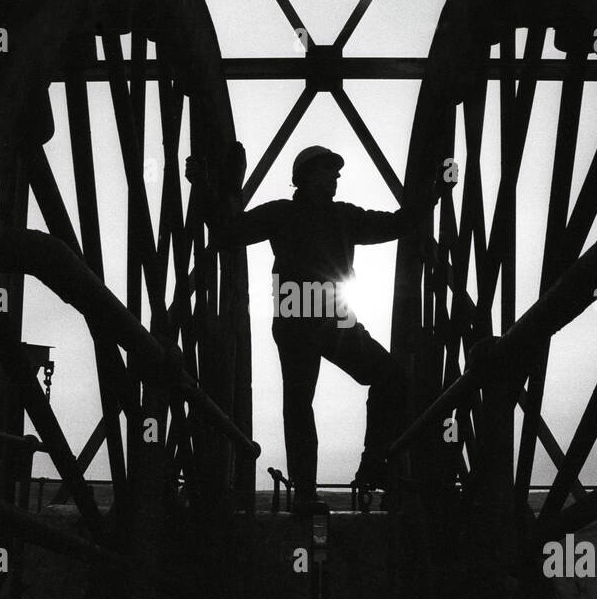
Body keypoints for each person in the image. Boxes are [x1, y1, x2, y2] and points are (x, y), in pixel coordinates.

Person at [188, 143, 449, 516]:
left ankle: (313, 491)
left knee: (302, 405)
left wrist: (204, 187)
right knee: (382, 379)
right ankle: (370, 465)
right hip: (326, 318)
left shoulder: (285, 214)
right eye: (330, 171)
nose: (337, 177)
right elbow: (400, 222)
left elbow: (229, 232)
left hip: (299, 315)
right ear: (308, 177)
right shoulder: (342, 218)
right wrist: (435, 190)